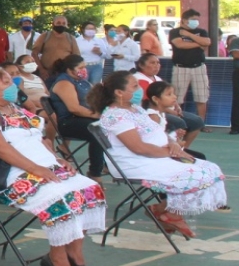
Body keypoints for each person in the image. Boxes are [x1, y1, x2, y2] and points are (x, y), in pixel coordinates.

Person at [0, 67, 106, 266]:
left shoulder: (17, 110)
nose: (12, 85)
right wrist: (36, 169)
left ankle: (74, 252)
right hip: (9, 176)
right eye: (4, 81)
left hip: (43, 167)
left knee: (90, 189)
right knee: (61, 196)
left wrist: (58, 160)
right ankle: (56, 257)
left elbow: (41, 141)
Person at [96, 75, 227, 238]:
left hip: (157, 155)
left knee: (210, 169)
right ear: (119, 92)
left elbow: (156, 131)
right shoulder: (115, 116)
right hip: (137, 163)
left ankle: (162, 210)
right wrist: (170, 152)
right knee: (195, 174)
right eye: (135, 86)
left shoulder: (135, 109)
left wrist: (172, 142)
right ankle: (169, 213)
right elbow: (139, 148)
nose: (139, 90)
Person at [46, 55, 105, 178]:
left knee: (112, 127)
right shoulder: (64, 82)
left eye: (85, 67)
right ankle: (95, 173)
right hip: (68, 122)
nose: (85, 70)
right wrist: (97, 116)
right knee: (98, 131)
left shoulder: (81, 81)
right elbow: (74, 108)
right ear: (70, 69)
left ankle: (108, 165)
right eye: (81, 67)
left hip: (83, 118)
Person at [132, 53, 203, 150]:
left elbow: (168, 92)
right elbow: (149, 102)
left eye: (158, 63)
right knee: (179, 123)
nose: (156, 65)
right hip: (155, 111)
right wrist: (171, 112)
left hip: (168, 110)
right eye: (152, 63)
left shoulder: (157, 78)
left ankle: (184, 148)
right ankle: (171, 148)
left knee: (197, 121)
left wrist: (176, 106)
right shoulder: (139, 79)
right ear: (141, 65)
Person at [169, 9, 213, 121]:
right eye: (193, 19)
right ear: (184, 20)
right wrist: (199, 43)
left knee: (201, 97)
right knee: (177, 97)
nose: (196, 22)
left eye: (197, 20)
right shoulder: (175, 32)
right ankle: (177, 122)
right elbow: (180, 45)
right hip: (180, 67)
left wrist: (188, 35)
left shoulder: (202, 31)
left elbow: (207, 42)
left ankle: (200, 123)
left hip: (199, 67)